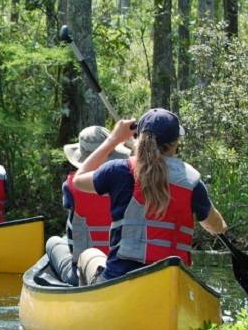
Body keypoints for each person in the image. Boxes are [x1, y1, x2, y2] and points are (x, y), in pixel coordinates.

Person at [71, 109, 228, 285]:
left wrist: (114, 139)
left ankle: (89, 305)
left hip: (119, 280)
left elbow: (78, 180)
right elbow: (216, 226)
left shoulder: (117, 170)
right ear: (175, 143)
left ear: (141, 138)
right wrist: (220, 226)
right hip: (171, 284)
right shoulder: (191, 181)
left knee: (88, 255)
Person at [45, 126, 131, 286]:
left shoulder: (70, 186)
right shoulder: (128, 183)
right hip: (122, 269)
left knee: (54, 241)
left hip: (81, 274)